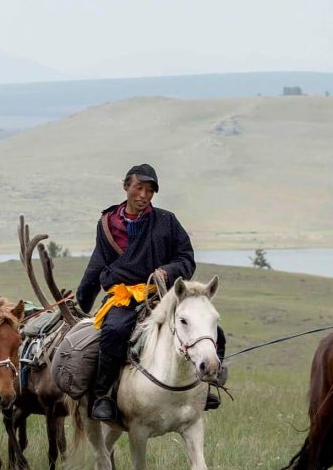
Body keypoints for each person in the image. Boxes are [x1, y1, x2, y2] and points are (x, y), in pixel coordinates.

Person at [75, 164, 226, 422]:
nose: (144, 195)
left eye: (150, 191)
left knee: (213, 330)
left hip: (161, 293)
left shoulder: (166, 221)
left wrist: (167, 271)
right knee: (114, 331)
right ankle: (103, 396)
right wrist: (82, 299)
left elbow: (186, 258)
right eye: (139, 188)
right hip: (123, 296)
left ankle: (209, 384)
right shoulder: (108, 224)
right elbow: (98, 261)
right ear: (126, 187)